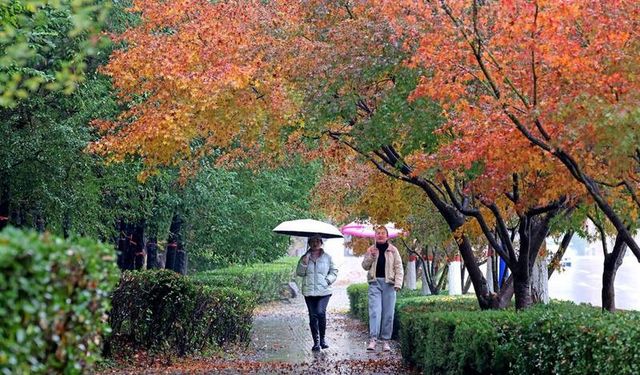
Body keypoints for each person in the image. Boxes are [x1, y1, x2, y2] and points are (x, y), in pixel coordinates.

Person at [361, 225, 404, 352]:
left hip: (389, 285)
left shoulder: (393, 250)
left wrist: (398, 284)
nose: (380, 235)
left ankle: (386, 341)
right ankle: (373, 340)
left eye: (382, 233)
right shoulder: (371, 249)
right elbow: (364, 266)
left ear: (387, 236)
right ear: (375, 235)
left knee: (388, 314)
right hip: (375, 284)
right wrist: (371, 256)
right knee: (375, 312)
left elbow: (399, 268)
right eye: (378, 233)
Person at [296, 235, 338, 351]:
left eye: (317, 241)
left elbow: (334, 271)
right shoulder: (305, 257)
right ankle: (316, 342)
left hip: (324, 291)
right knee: (312, 316)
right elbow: (299, 273)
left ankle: (323, 339)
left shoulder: (327, 257)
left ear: (321, 242)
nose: (315, 243)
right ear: (309, 243)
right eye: (312, 241)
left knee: (320, 312)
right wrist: (304, 263)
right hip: (309, 292)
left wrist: (327, 281)